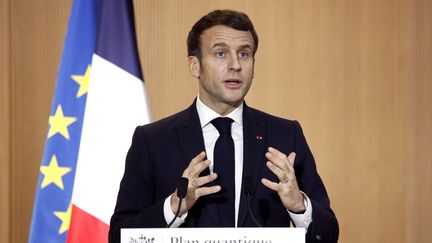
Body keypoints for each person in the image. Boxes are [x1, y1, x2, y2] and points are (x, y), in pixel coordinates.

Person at [109, 9, 338, 243]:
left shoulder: (285, 136)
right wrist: (174, 207)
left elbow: (328, 235)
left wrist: (299, 205)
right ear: (195, 65)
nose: (235, 65)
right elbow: (119, 236)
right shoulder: (153, 140)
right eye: (220, 53)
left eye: (244, 54)